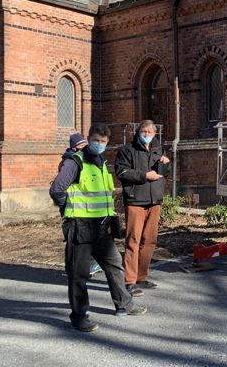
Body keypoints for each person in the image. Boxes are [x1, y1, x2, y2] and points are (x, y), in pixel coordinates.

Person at [50, 123, 147, 332]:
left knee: (114, 265)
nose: (99, 145)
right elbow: (57, 190)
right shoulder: (75, 162)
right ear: (88, 138)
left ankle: (124, 304)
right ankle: (79, 316)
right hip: (80, 226)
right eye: (96, 140)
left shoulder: (101, 162)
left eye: (103, 142)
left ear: (107, 142)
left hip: (101, 227)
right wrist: (68, 209)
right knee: (79, 274)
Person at [115, 120, 170, 296]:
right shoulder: (127, 150)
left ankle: (142, 276)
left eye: (150, 132)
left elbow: (164, 173)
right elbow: (122, 173)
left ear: (155, 133)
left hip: (155, 201)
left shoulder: (158, 149)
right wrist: (144, 175)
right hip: (135, 201)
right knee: (133, 241)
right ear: (138, 132)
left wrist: (165, 163)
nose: (146, 134)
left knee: (150, 241)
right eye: (143, 131)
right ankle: (130, 281)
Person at [59, 133, 103, 277]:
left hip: (85, 208)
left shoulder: (87, 160)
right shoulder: (70, 162)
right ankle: (73, 271)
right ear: (74, 147)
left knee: (85, 239)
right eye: (81, 145)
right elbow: (58, 189)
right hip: (73, 208)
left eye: (86, 144)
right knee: (73, 241)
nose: (85, 147)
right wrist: (64, 204)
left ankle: (84, 267)